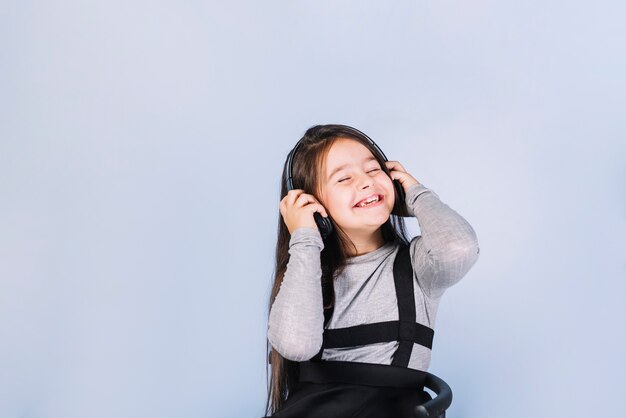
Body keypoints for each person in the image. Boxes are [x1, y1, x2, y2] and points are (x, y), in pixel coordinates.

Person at [263, 124, 480, 418]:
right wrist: (304, 238)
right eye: (344, 178)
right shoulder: (308, 273)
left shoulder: (418, 265)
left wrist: (417, 196)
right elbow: (295, 344)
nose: (366, 182)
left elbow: (459, 248)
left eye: (374, 170)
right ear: (312, 203)